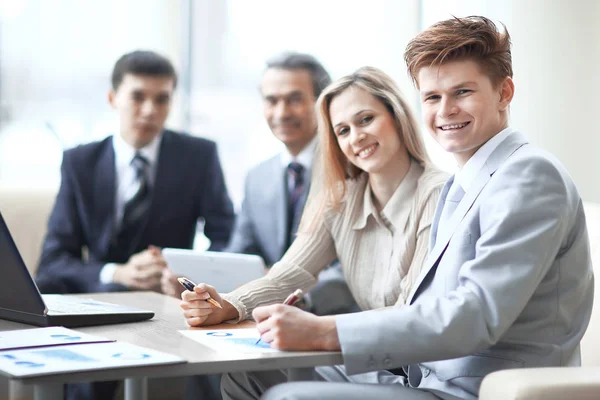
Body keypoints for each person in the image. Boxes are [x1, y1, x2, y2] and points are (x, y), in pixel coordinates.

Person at [209, 16, 593, 400]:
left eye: (462, 92)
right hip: (422, 378)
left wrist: (325, 331)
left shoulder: (528, 175)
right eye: (432, 97)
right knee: (249, 376)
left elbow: (476, 314)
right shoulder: (465, 183)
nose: (445, 110)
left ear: (504, 93)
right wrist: (235, 305)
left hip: (477, 391)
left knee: (289, 397)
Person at [180, 63, 448, 384]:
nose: (357, 136)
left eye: (366, 119)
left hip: (419, 369)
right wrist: (227, 305)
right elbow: (286, 277)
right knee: (242, 373)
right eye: (343, 130)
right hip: (369, 358)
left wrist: (319, 329)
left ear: (397, 117)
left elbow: (413, 312)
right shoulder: (340, 199)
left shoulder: (439, 194)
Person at [35, 50, 234, 400]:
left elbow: (227, 240)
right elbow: (53, 260)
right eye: (138, 97)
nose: (149, 110)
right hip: (99, 302)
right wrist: (116, 273)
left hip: (169, 303)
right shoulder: (80, 162)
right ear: (113, 99)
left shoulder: (198, 156)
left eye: (162, 99)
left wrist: (184, 275)